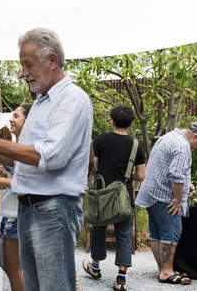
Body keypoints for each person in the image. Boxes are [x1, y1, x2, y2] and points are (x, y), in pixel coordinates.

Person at [0, 28, 93, 291]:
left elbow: (51, 156)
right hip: (32, 208)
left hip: (52, 209)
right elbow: (29, 160)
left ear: (52, 61)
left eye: (28, 64)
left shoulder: (72, 98)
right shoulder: (42, 101)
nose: (23, 72)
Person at [135, 122, 197, 285]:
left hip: (151, 193)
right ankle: (167, 272)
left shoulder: (169, 137)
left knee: (157, 234)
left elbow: (167, 167)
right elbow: (176, 175)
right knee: (171, 233)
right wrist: (177, 200)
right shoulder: (183, 146)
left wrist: (186, 182)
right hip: (165, 197)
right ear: (195, 137)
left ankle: (162, 269)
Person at [82, 105, 146, 291]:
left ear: (112, 121)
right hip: (124, 197)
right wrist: (126, 177)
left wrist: (99, 172)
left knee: (98, 229)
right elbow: (141, 175)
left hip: (102, 195)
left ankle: (95, 268)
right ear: (131, 123)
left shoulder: (101, 139)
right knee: (124, 235)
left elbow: (93, 166)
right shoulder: (136, 145)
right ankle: (120, 279)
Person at [0, 105, 31, 291]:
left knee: (14, 269)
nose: (11, 120)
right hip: (13, 211)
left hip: (15, 213)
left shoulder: (25, 148)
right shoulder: (20, 146)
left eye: (16, 116)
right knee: (11, 267)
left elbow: (25, 184)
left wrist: (1, 181)